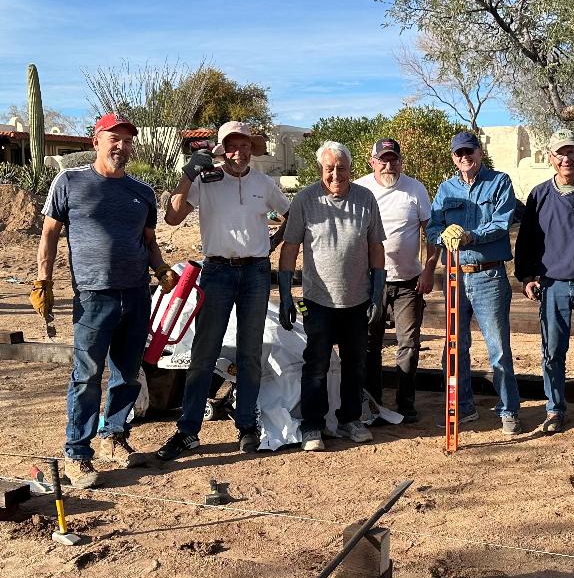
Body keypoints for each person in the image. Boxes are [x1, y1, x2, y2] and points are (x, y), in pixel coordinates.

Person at [33, 113, 175, 488]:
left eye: (127, 141)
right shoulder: (70, 182)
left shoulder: (142, 192)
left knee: (127, 374)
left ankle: (114, 436)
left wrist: (161, 269)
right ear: (96, 141)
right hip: (93, 296)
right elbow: (49, 233)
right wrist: (43, 279)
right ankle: (77, 453)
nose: (121, 146)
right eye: (114, 139)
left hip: (137, 293)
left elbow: (149, 242)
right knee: (87, 376)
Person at [156, 121, 290, 461]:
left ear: (251, 149)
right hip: (216, 271)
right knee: (204, 352)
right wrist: (188, 175)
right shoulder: (206, 181)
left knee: (250, 352)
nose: (239, 152)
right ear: (222, 149)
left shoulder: (264, 183)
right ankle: (188, 431)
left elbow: (291, 215)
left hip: (256, 272)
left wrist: (272, 243)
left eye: (244, 145)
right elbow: (172, 217)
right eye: (232, 146)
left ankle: (246, 426)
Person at [276, 141, 386, 451]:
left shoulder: (365, 199)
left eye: (341, 168)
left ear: (351, 169)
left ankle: (350, 419)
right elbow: (290, 248)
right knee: (316, 365)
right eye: (329, 169)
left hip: (357, 299)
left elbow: (376, 247)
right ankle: (313, 425)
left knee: (355, 363)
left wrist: (377, 293)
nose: (336, 174)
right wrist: (286, 295)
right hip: (317, 300)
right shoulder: (305, 200)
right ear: (320, 169)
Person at [514, 128, 574, 433]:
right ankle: (555, 409)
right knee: (552, 352)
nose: (566, 158)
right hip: (551, 285)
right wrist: (527, 277)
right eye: (560, 153)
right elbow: (527, 240)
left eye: (571, 151)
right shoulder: (539, 194)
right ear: (550, 157)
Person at [427, 131, 521, 434]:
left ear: (479, 152)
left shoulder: (499, 182)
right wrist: (443, 235)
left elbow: (501, 222)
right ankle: (462, 407)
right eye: (459, 153)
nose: (465, 157)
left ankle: (508, 409)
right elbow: (432, 228)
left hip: (488, 275)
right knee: (455, 347)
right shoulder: (445, 189)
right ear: (453, 158)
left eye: (469, 151)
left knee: (498, 347)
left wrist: (471, 236)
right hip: (455, 275)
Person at [356, 137, 435, 423]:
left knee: (409, 344)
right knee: (370, 344)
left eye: (394, 159)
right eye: (383, 160)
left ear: (401, 161)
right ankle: (373, 402)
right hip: (369, 281)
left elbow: (431, 232)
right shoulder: (360, 189)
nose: (389, 165)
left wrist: (429, 269)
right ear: (372, 162)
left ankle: (406, 402)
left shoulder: (415, 189)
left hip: (408, 282)